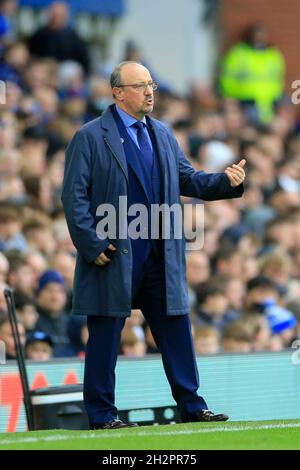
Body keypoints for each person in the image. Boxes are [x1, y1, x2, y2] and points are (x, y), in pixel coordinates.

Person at [61, 61, 246, 430]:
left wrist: (226, 183)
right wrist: (91, 243)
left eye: (152, 84)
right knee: (105, 334)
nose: (150, 92)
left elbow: (187, 179)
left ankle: (193, 406)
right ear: (117, 92)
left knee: (176, 329)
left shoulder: (161, 132)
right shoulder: (90, 135)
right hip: (113, 253)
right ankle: (102, 415)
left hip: (161, 253)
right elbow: (74, 196)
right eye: (140, 85)